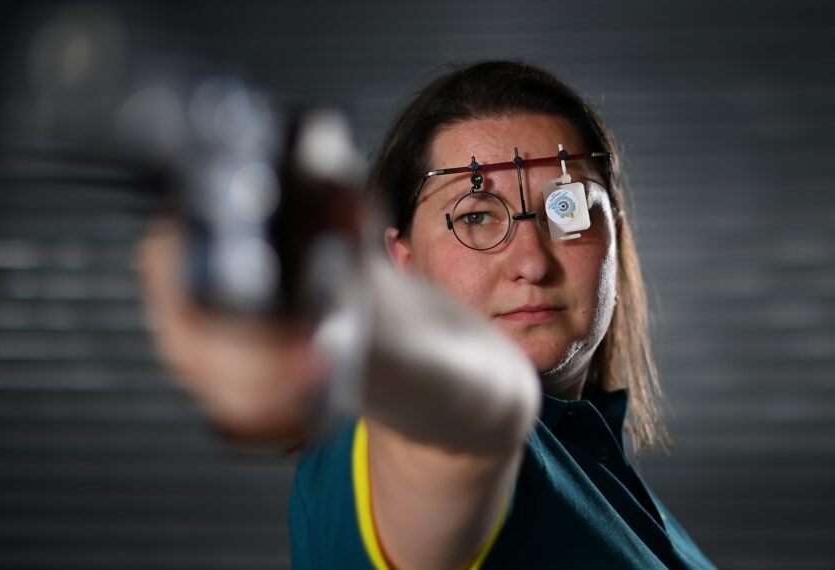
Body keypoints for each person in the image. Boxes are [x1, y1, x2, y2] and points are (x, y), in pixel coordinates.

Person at [139, 60, 715, 569]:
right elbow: (466, 413)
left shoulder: (607, 472)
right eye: (476, 215)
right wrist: (346, 307)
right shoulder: (390, 435)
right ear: (401, 259)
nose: (533, 262)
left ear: (616, 235)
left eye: (568, 209)